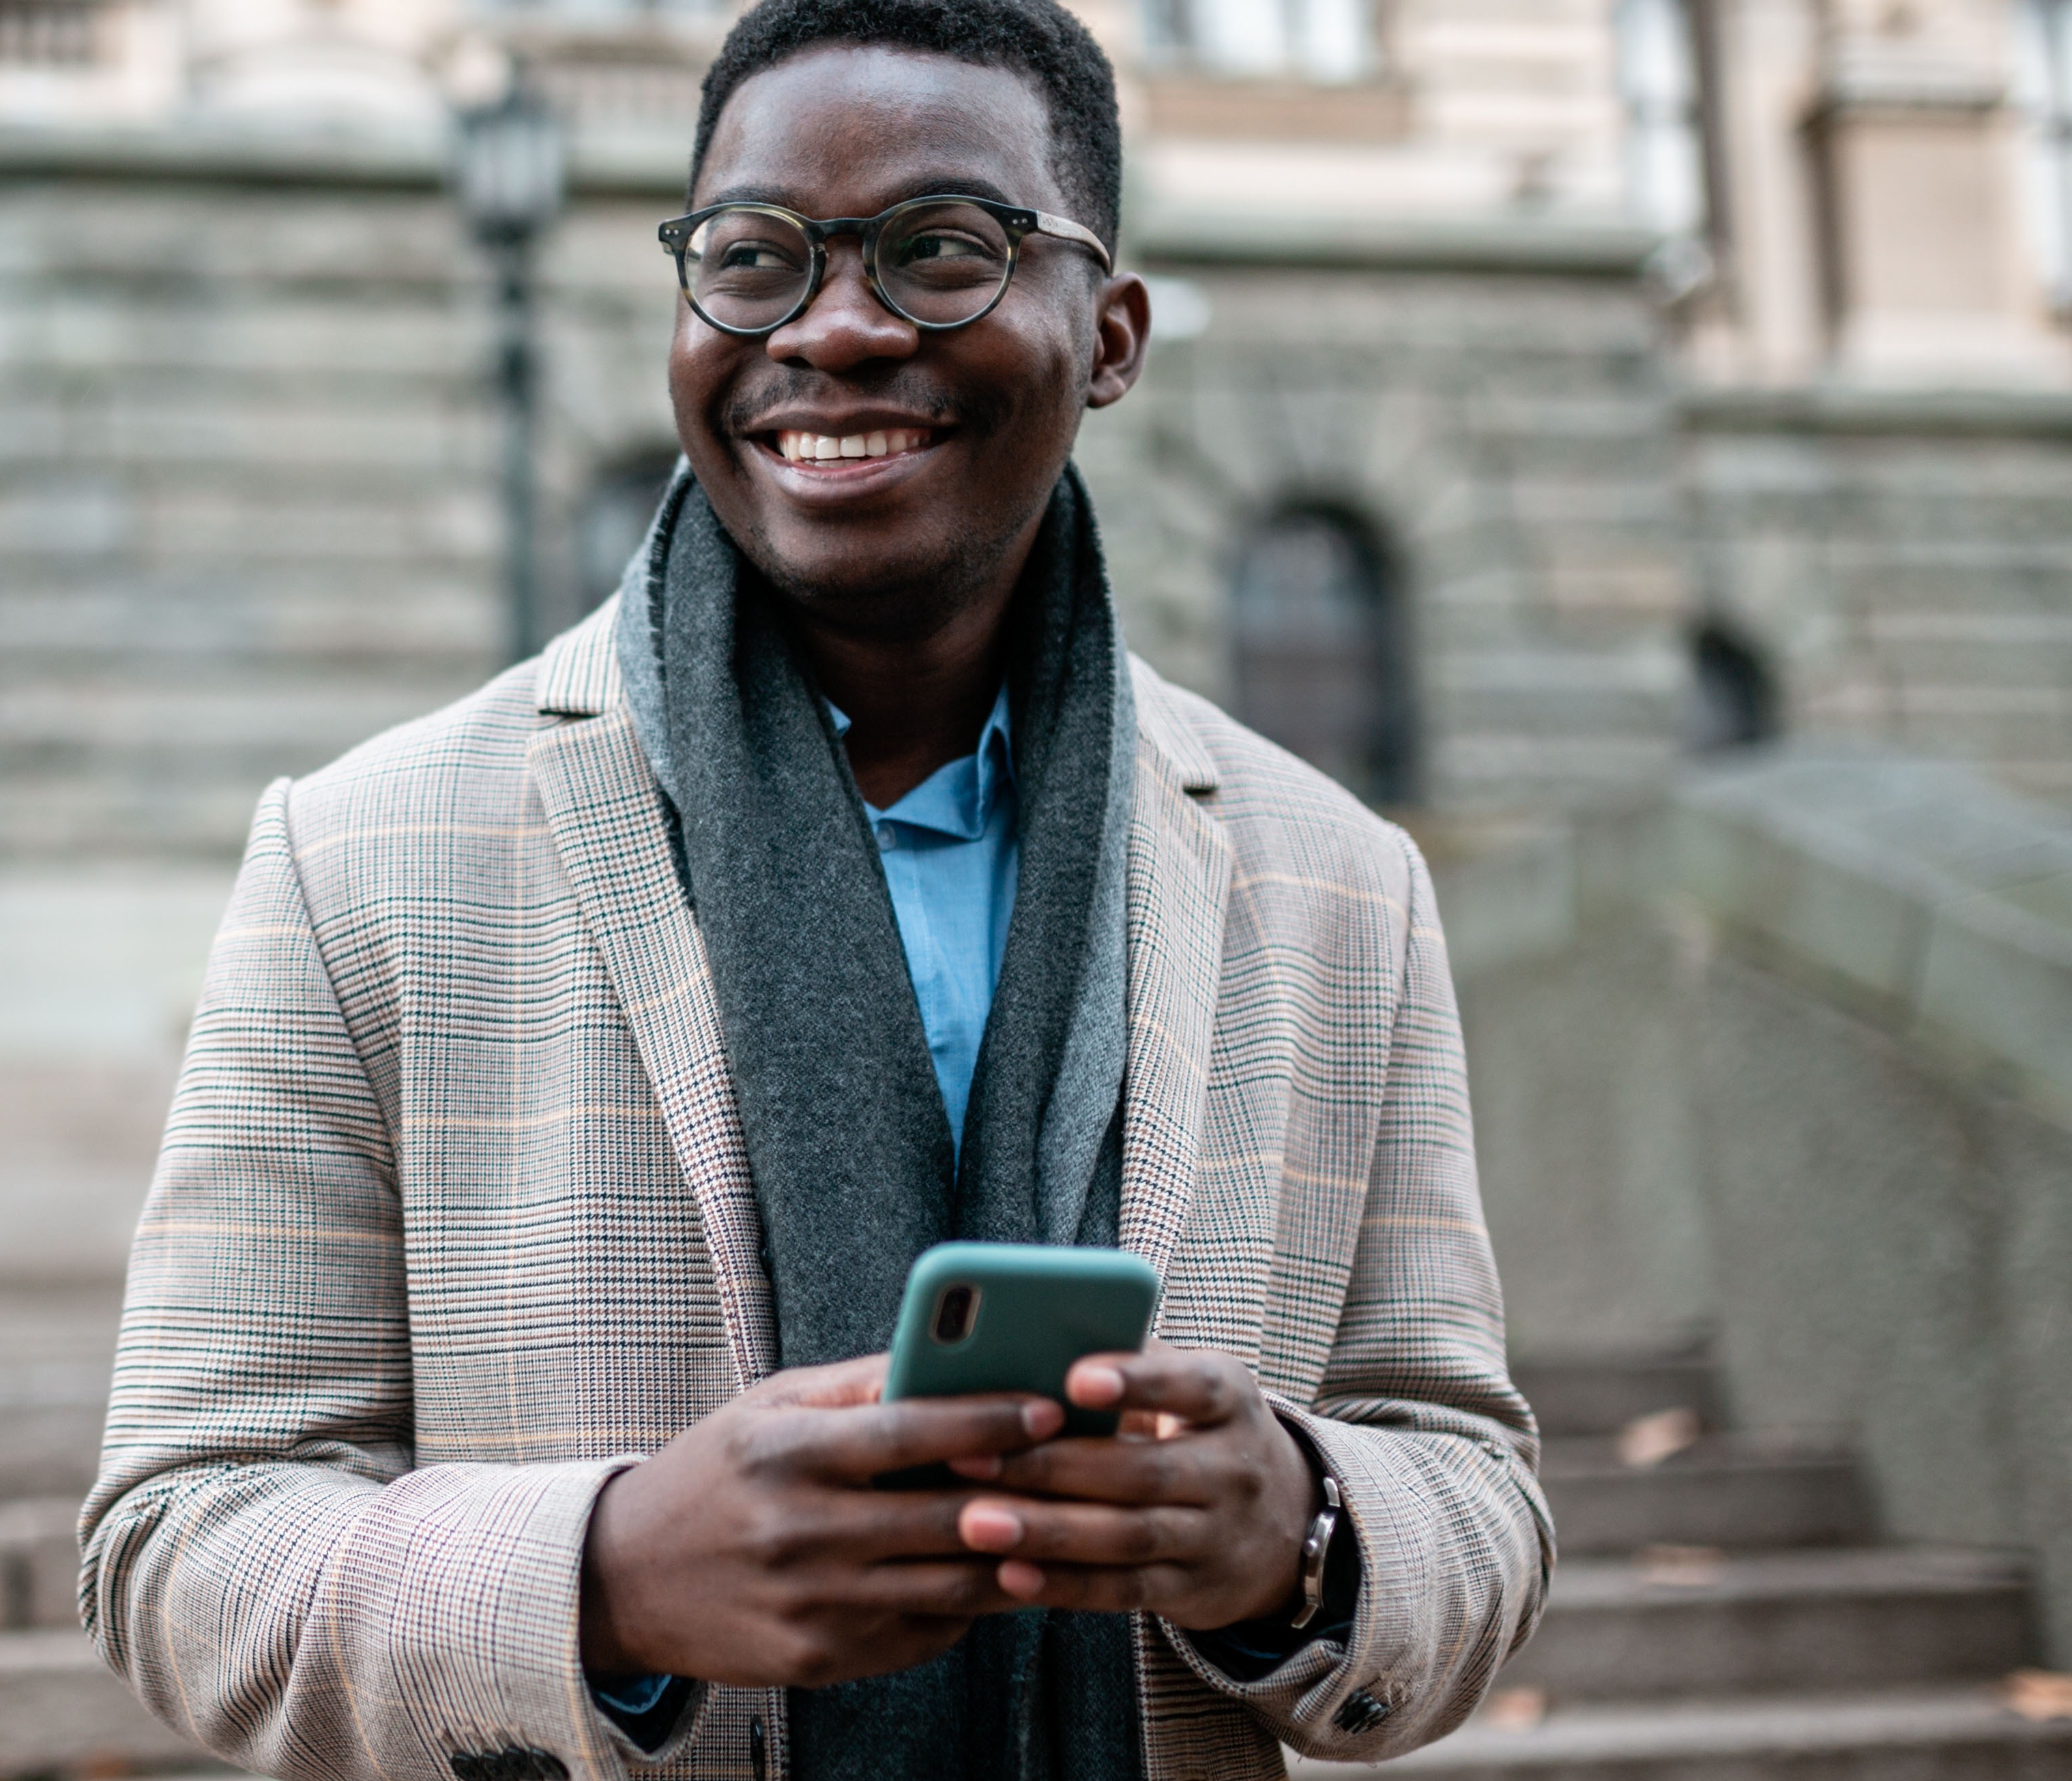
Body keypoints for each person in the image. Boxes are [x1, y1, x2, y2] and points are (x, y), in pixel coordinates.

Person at [78, 0, 1545, 1775]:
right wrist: (605, 1575)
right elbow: (177, 1538)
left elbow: (1470, 1488)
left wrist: (1296, 1528)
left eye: (941, 251)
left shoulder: (1342, 887)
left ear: (1112, 334)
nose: (834, 328)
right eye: (753, 257)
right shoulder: (358, 856)